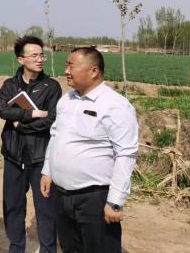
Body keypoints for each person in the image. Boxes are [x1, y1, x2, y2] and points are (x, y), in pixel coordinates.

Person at [40, 47, 138, 253]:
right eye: (66, 65)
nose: (66, 71)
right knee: (70, 248)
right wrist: (47, 171)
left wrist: (115, 202)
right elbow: (56, 136)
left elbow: (126, 154)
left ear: (94, 71)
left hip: (94, 198)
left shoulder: (115, 105)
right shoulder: (66, 100)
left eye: (71, 66)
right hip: (62, 196)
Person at [0, 36, 61, 253]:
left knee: (46, 210)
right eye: (34, 55)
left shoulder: (51, 87)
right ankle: (16, 247)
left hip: (40, 157)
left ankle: (48, 249)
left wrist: (21, 125)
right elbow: (3, 110)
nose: (39, 59)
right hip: (13, 156)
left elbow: (51, 120)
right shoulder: (9, 85)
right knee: (12, 206)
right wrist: (32, 113)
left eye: (42, 55)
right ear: (20, 59)